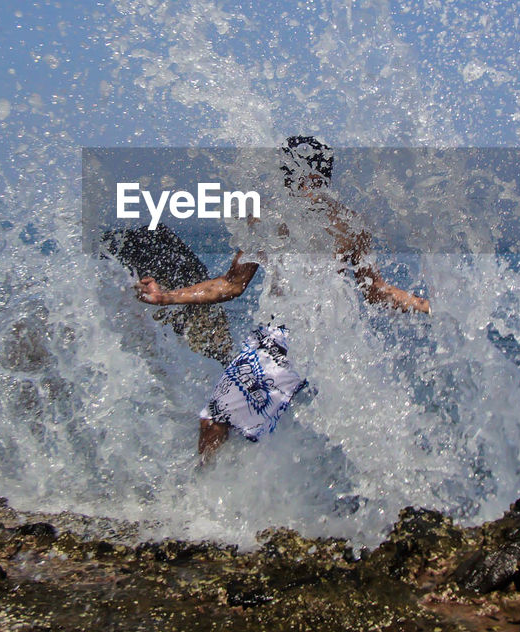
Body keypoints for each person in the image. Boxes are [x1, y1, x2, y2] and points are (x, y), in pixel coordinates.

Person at [134, 137, 431, 462]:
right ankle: (215, 494)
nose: (289, 186)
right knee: (216, 421)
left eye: (295, 177)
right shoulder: (266, 221)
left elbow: (376, 291)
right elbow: (232, 284)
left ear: (317, 178)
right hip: (271, 338)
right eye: (286, 177)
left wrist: (427, 306)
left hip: (322, 340)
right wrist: (167, 297)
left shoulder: (348, 226)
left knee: (221, 420)